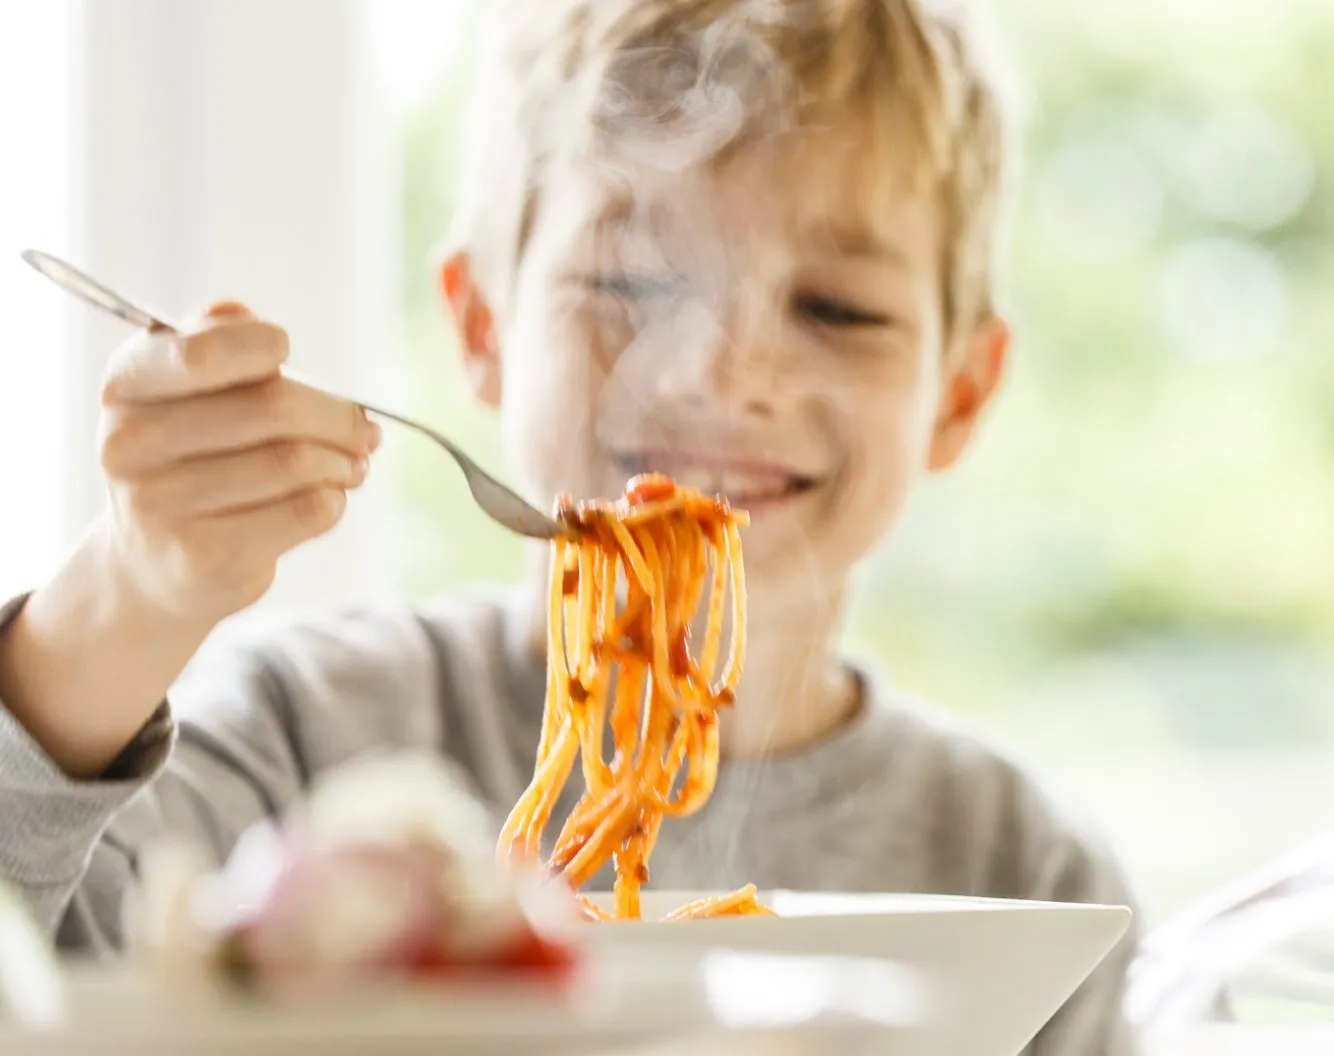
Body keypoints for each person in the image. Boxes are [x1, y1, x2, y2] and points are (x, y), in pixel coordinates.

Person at [0, 0, 1140, 1051]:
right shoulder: (301, 727)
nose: (718, 372)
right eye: (637, 285)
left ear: (959, 393)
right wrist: (126, 600)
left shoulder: (1021, 864)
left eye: (835, 308)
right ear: (483, 324)